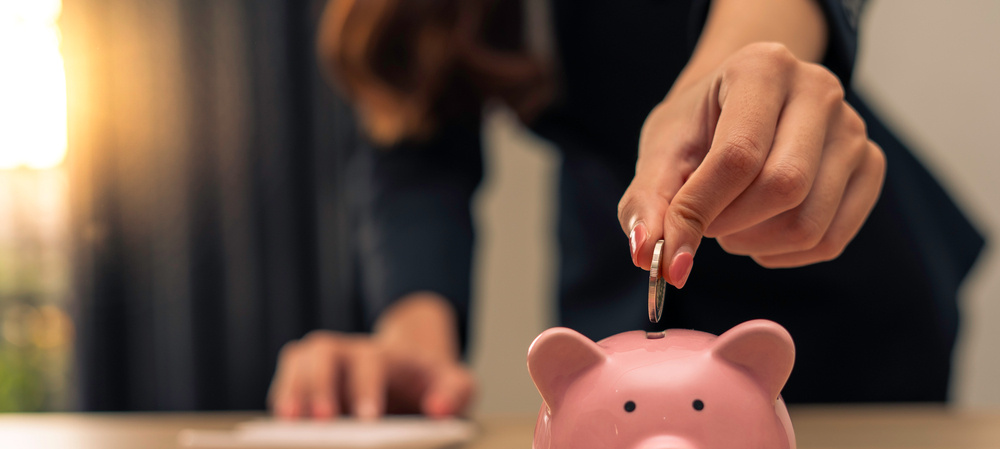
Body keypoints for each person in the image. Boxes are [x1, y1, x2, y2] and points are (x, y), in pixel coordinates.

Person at [268, 0, 984, 419]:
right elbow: (418, 145)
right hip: (623, 285)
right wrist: (414, 345)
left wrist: (726, 77)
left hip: (835, 292)